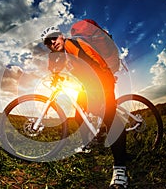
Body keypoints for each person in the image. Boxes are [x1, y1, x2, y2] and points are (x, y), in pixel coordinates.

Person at [41, 23, 128, 189]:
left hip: (100, 80)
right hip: (87, 86)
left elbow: (89, 62)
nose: (52, 43)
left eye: (54, 38)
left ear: (61, 36)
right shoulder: (64, 56)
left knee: (110, 118)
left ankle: (120, 168)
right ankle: (92, 140)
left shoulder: (71, 44)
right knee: (78, 115)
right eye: (48, 43)